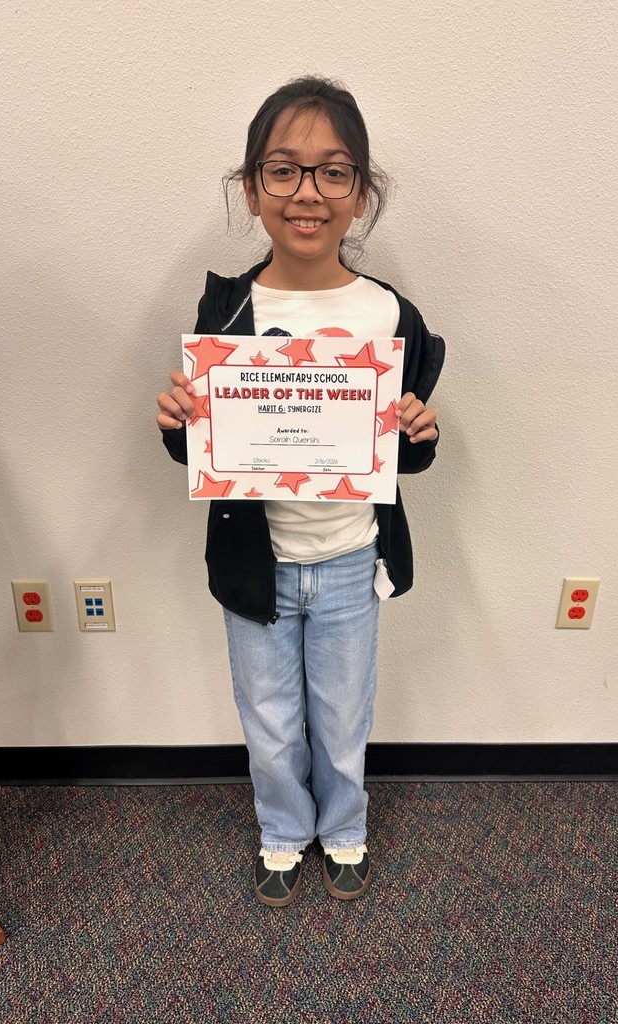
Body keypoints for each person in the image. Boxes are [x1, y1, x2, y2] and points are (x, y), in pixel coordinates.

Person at [156, 76, 444, 907]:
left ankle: (344, 825)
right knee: (271, 716)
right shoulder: (227, 307)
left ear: (361, 195)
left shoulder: (391, 316)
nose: (306, 193)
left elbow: (401, 454)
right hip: (257, 561)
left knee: (344, 710)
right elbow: (202, 450)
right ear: (251, 188)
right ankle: (283, 828)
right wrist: (179, 421)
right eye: (282, 171)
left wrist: (418, 433)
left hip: (353, 556)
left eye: (332, 172)